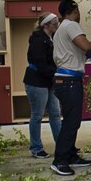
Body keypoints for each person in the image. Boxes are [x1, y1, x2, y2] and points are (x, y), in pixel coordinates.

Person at [51, 0, 91, 176]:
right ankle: (59, 160)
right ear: (74, 10)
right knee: (71, 122)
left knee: (71, 120)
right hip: (69, 81)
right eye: (79, 11)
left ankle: (70, 155)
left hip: (65, 80)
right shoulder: (71, 25)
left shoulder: (61, 28)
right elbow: (85, 45)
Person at [23, 12, 61, 159]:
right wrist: (57, 71)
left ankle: (62, 144)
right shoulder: (38, 40)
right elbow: (40, 64)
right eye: (55, 24)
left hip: (48, 81)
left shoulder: (49, 39)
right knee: (37, 115)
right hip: (37, 82)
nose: (57, 26)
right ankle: (36, 148)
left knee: (55, 113)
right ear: (46, 25)